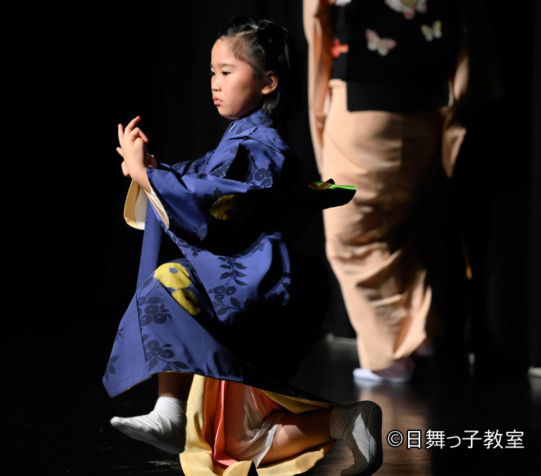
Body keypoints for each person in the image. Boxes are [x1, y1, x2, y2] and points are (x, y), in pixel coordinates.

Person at [104, 16, 383, 476]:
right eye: (212, 72)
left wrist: (149, 177)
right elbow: (201, 181)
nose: (214, 83)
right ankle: (344, 420)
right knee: (232, 443)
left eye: (227, 72)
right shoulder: (242, 140)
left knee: (167, 283)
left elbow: (217, 204)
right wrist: (153, 172)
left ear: (269, 82)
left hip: (255, 294)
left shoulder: (263, 145)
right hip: (247, 289)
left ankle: (170, 408)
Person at [302, 0, 502, 383]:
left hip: (365, 92)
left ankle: (389, 355)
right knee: (397, 221)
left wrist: (320, 92)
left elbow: (318, 14)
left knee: (352, 234)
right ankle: (419, 329)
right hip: (427, 91)